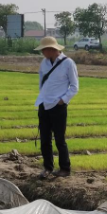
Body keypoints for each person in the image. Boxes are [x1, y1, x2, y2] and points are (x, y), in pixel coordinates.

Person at [34, 36, 79, 179]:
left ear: (53, 50)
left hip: (58, 106)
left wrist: (63, 100)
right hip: (44, 104)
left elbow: (74, 86)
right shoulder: (44, 63)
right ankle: (47, 168)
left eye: (44, 50)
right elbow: (42, 82)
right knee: (45, 138)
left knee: (59, 138)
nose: (43, 53)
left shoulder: (68, 63)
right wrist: (42, 98)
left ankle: (65, 168)